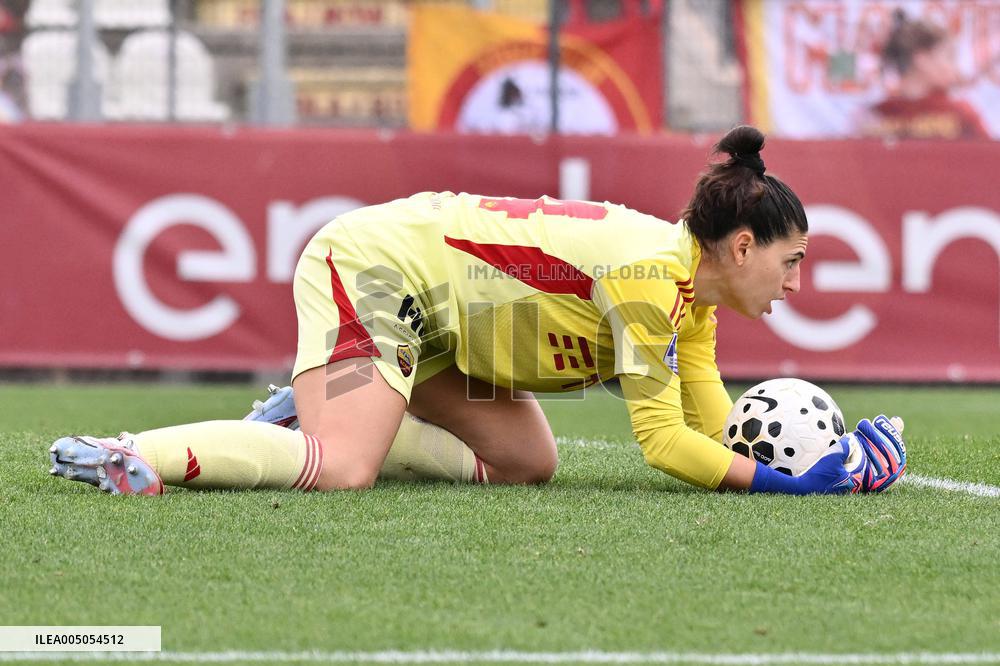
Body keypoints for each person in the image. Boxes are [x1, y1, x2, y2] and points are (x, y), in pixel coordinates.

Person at [48, 126, 906, 497]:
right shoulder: (654, 280)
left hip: (447, 329)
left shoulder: (693, 292)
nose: (796, 283)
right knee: (343, 467)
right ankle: (132, 454)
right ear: (745, 246)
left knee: (527, 461)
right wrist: (786, 488)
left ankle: (319, 406)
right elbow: (663, 444)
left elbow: (709, 417)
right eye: (792, 261)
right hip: (383, 267)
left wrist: (818, 465)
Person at [857, 9, 989, 140]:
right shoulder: (877, 115)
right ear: (922, 59)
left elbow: (990, 157)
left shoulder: (962, 114)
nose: (955, 67)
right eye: (949, 57)